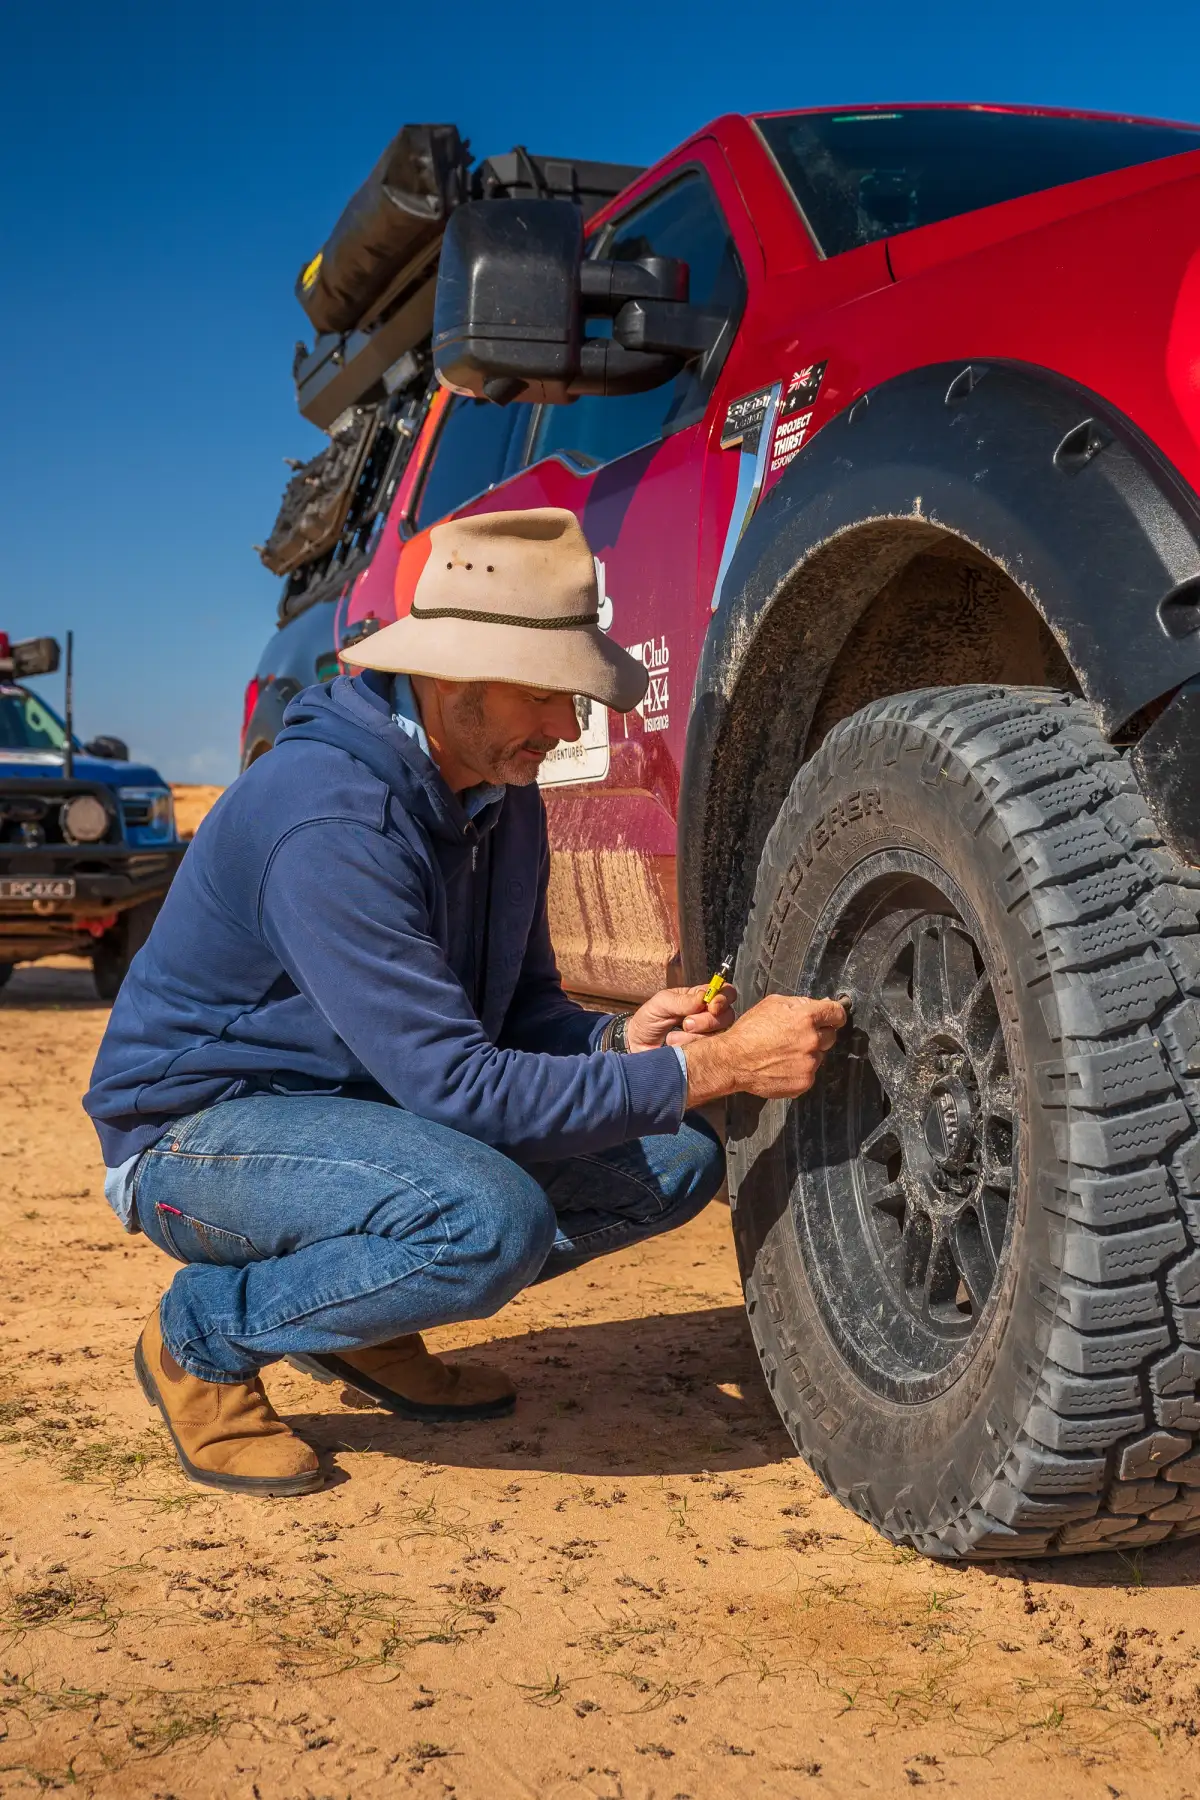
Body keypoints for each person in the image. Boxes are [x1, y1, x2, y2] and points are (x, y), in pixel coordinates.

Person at [84, 507, 845, 1497]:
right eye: (547, 694)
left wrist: (622, 1041)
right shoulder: (327, 816)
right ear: (453, 675)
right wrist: (719, 1067)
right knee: (485, 1223)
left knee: (671, 1158)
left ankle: (365, 1321)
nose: (568, 728)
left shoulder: (497, 796)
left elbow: (520, 1008)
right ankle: (202, 1337)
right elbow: (456, 1087)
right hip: (197, 1136)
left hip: (359, 1115)